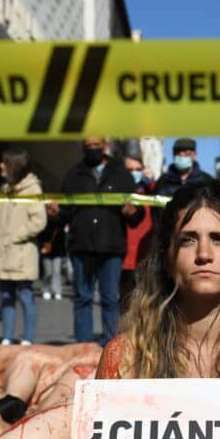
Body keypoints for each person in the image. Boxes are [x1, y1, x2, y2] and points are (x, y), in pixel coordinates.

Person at [96, 179, 220, 379]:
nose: (203, 254)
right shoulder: (124, 357)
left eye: (218, 239)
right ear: (167, 258)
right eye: (187, 240)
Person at [57, 137, 145, 344]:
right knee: (82, 299)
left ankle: (111, 346)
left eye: (96, 146)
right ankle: (83, 345)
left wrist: (132, 212)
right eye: (88, 147)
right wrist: (55, 213)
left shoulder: (121, 174)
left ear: (105, 146)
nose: (92, 150)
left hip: (111, 246)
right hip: (81, 245)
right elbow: (65, 211)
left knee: (110, 299)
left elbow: (137, 213)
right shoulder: (73, 174)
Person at [0, 148, 47, 346]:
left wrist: (17, 235)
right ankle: (7, 337)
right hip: (4, 252)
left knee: (25, 295)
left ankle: (28, 339)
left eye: (4, 163)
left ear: (14, 166)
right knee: (6, 295)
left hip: (22, 252)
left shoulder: (33, 190)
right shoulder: (4, 189)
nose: (0, 166)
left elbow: (39, 221)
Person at [120, 151, 154, 306]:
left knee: (146, 305)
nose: (134, 173)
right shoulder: (118, 193)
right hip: (122, 258)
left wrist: (152, 182)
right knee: (125, 305)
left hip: (146, 255)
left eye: (138, 169)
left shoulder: (151, 191)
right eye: (129, 170)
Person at [38, 202, 69, 302]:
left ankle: (57, 291)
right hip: (46, 249)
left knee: (56, 272)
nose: (51, 209)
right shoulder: (43, 220)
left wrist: (59, 211)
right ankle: (46, 289)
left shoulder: (61, 220)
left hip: (58, 250)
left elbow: (67, 218)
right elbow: (40, 235)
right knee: (48, 272)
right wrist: (40, 247)